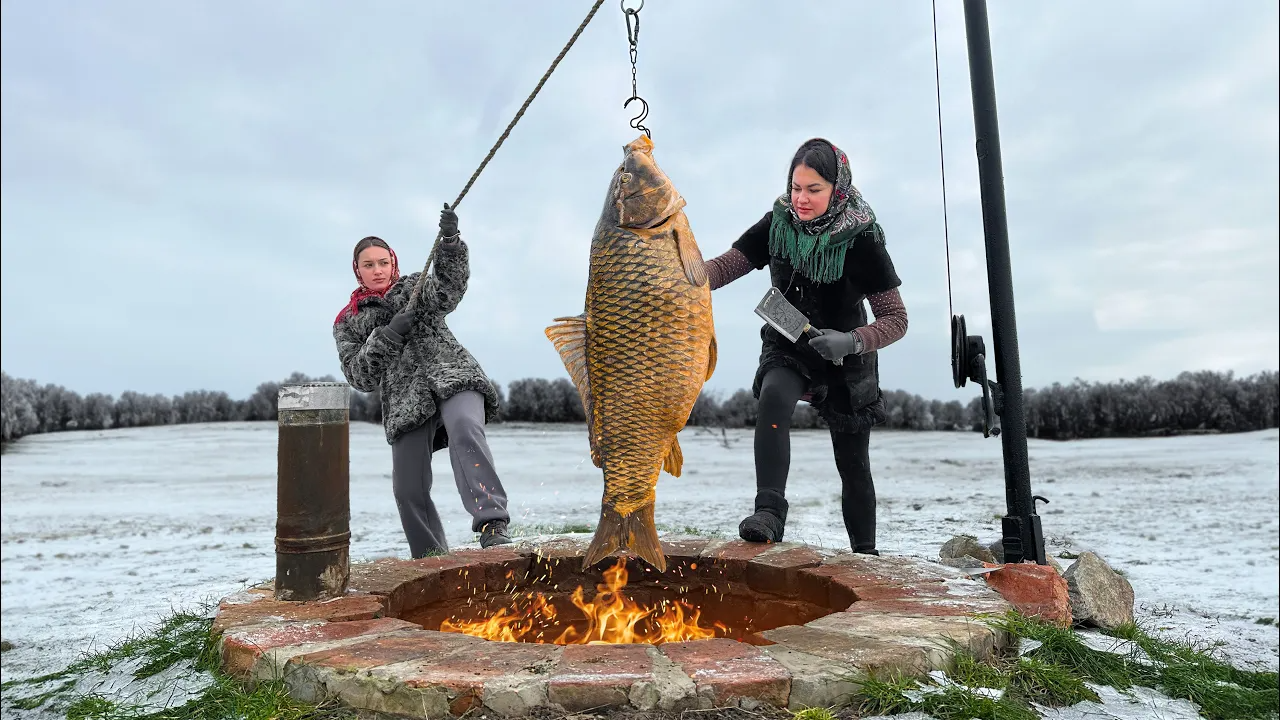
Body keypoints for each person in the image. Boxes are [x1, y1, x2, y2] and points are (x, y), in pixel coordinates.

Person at [703, 138, 909, 555]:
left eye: (813, 189)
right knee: (775, 396)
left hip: (847, 354)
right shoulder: (778, 222)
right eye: (796, 187)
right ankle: (769, 513)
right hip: (790, 340)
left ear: (838, 188)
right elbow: (728, 265)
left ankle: (865, 554)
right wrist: (681, 278)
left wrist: (853, 341)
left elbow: (896, 319)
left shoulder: (863, 237)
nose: (801, 198)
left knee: (853, 464)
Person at [332, 205, 513, 557]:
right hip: (405, 402)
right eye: (368, 265)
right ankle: (431, 559)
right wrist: (386, 336)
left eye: (383, 262)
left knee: (464, 428)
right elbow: (359, 376)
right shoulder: (348, 321)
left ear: (392, 262)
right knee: (407, 488)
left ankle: (493, 523)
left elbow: (449, 288)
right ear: (357, 270)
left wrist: (449, 244)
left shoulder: (414, 287)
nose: (377, 270)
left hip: (454, 376)